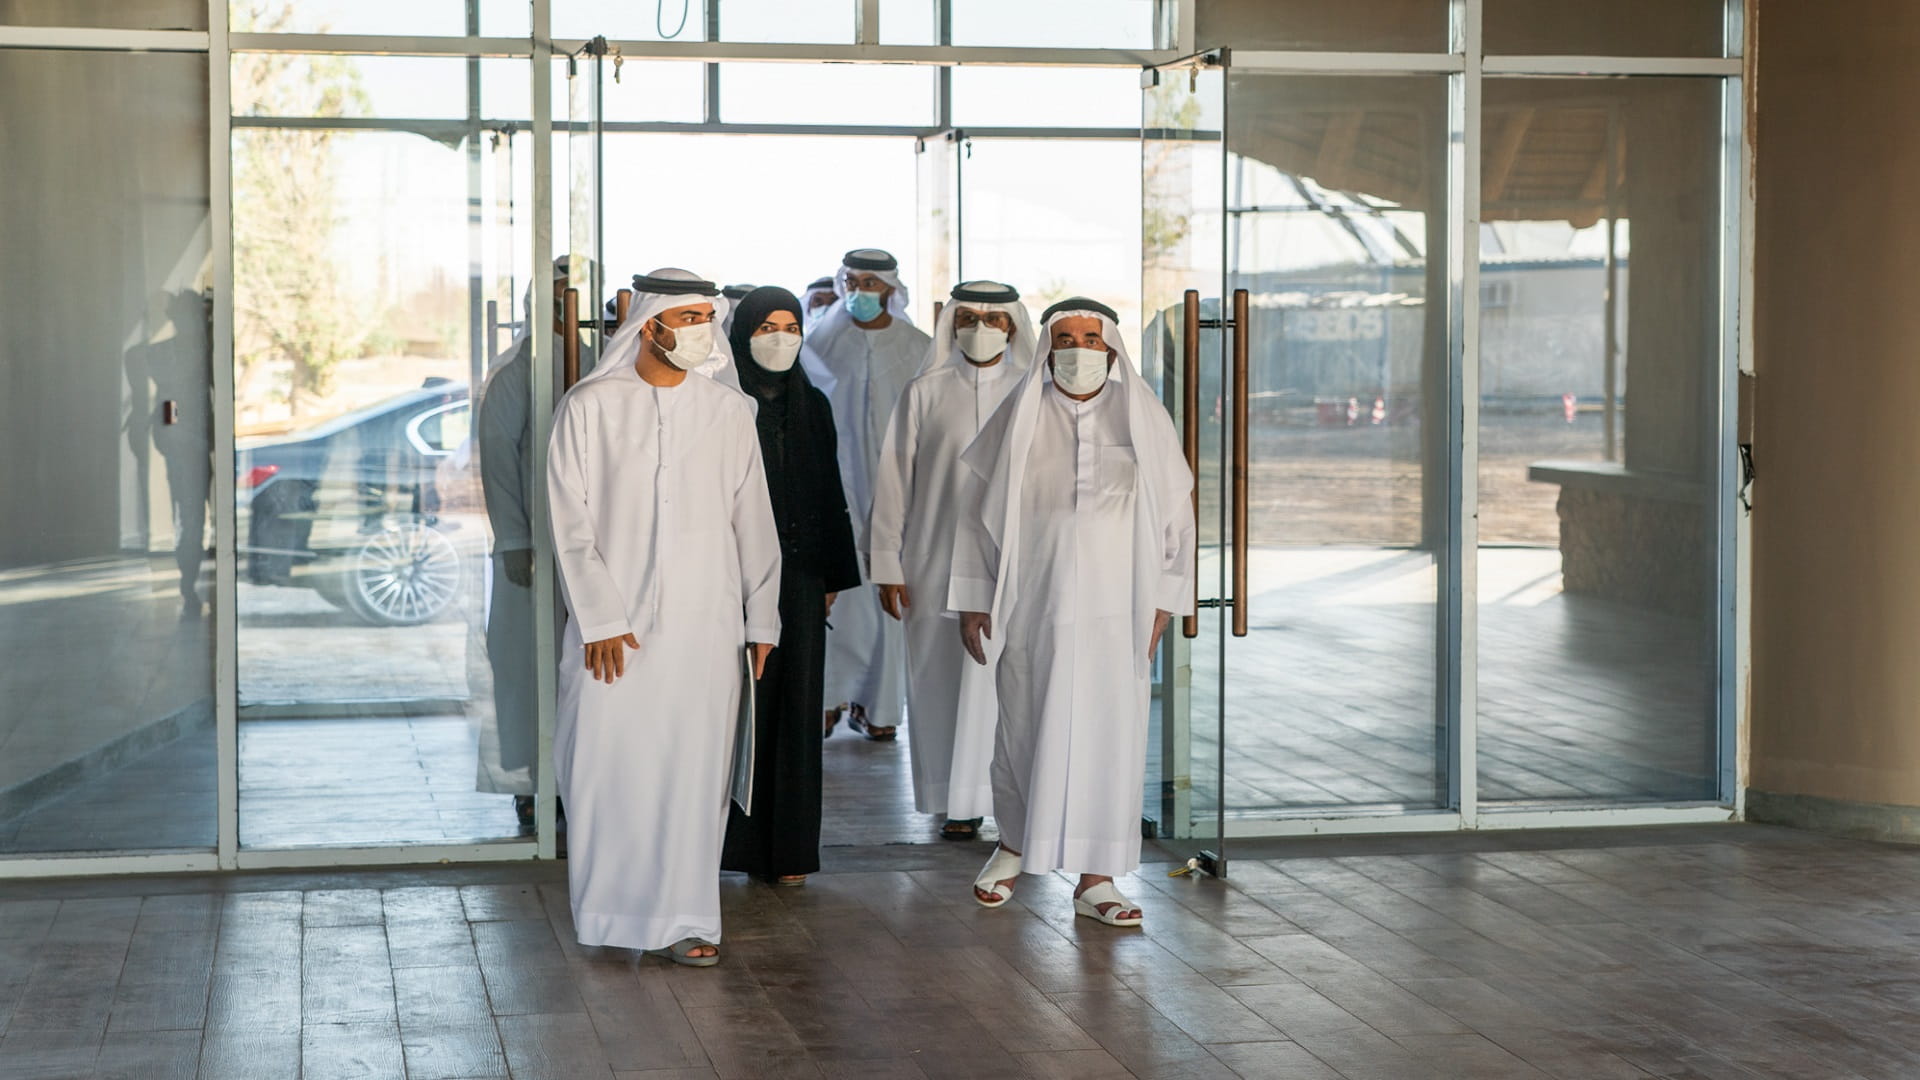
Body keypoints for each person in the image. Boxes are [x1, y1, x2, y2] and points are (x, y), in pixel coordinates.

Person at [547, 268, 782, 966]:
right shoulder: (590, 405)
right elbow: (570, 522)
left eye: (706, 318)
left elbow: (754, 521)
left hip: (705, 631)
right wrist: (598, 618)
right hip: (611, 634)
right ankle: (610, 912)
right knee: (606, 767)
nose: (699, 331)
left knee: (692, 773)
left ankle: (689, 918)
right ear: (647, 324)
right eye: (685, 318)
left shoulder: (729, 412)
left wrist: (761, 619)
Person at [949, 297, 1195, 928]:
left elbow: (1177, 523)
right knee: (1027, 725)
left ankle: (1096, 877)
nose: (1078, 348)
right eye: (1066, 337)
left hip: (1121, 612)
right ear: (1048, 346)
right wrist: (974, 598)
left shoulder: (1143, 416)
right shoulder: (1020, 416)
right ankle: (1014, 843)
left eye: (1091, 336)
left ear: (1111, 347)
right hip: (1035, 604)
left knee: (1109, 738)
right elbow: (977, 518)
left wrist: (1164, 605)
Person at [868, 281, 1033, 840]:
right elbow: (893, 481)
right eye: (968, 316)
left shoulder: (1031, 390)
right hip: (932, 562)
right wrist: (887, 563)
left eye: (993, 318)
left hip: (1011, 563)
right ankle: (954, 801)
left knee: (1006, 682)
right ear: (951, 323)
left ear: (1012, 326)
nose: (981, 327)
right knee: (939, 682)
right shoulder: (925, 390)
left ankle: (1009, 796)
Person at [720, 287, 864, 887]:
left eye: (790, 326)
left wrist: (831, 574)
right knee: (735, 710)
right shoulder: (720, 404)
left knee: (797, 710)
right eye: (766, 327)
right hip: (731, 576)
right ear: (742, 335)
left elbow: (831, 492)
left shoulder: (814, 405)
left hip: (800, 576)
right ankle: (731, 845)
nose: (780, 338)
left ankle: (788, 852)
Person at [799, 249, 930, 741]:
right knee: (841, 598)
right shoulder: (821, 342)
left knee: (891, 601)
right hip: (837, 490)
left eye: (870, 284)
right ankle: (830, 700)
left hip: (901, 493)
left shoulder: (919, 346)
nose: (859, 293)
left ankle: (878, 708)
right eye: (851, 282)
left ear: (891, 290)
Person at [474, 262, 573, 824]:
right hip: (532, 549)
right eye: (557, 296)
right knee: (525, 668)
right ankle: (534, 780)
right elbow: (498, 459)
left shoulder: (596, 358)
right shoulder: (519, 368)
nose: (566, 306)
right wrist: (514, 538)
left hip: (581, 549)